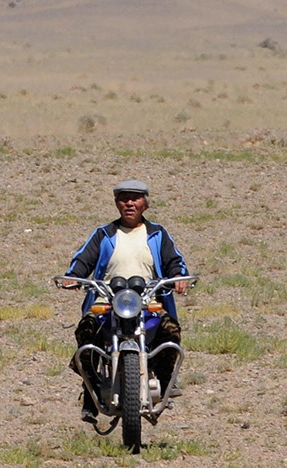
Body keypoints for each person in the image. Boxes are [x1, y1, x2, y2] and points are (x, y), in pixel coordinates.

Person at [62, 179, 191, 423]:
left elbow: (175, 261)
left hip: (147, 301)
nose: (129, 203)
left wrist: (178, 277)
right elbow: (83, 260)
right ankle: (90, 392)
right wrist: (74, 276)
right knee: (86, 334)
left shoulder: (157, 234)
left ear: (145, 203)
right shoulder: (104, 234)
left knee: (170, 331)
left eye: (135, 198)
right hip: (107, 300)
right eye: (124, 198)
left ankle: (165, 383)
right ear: (116, 203)